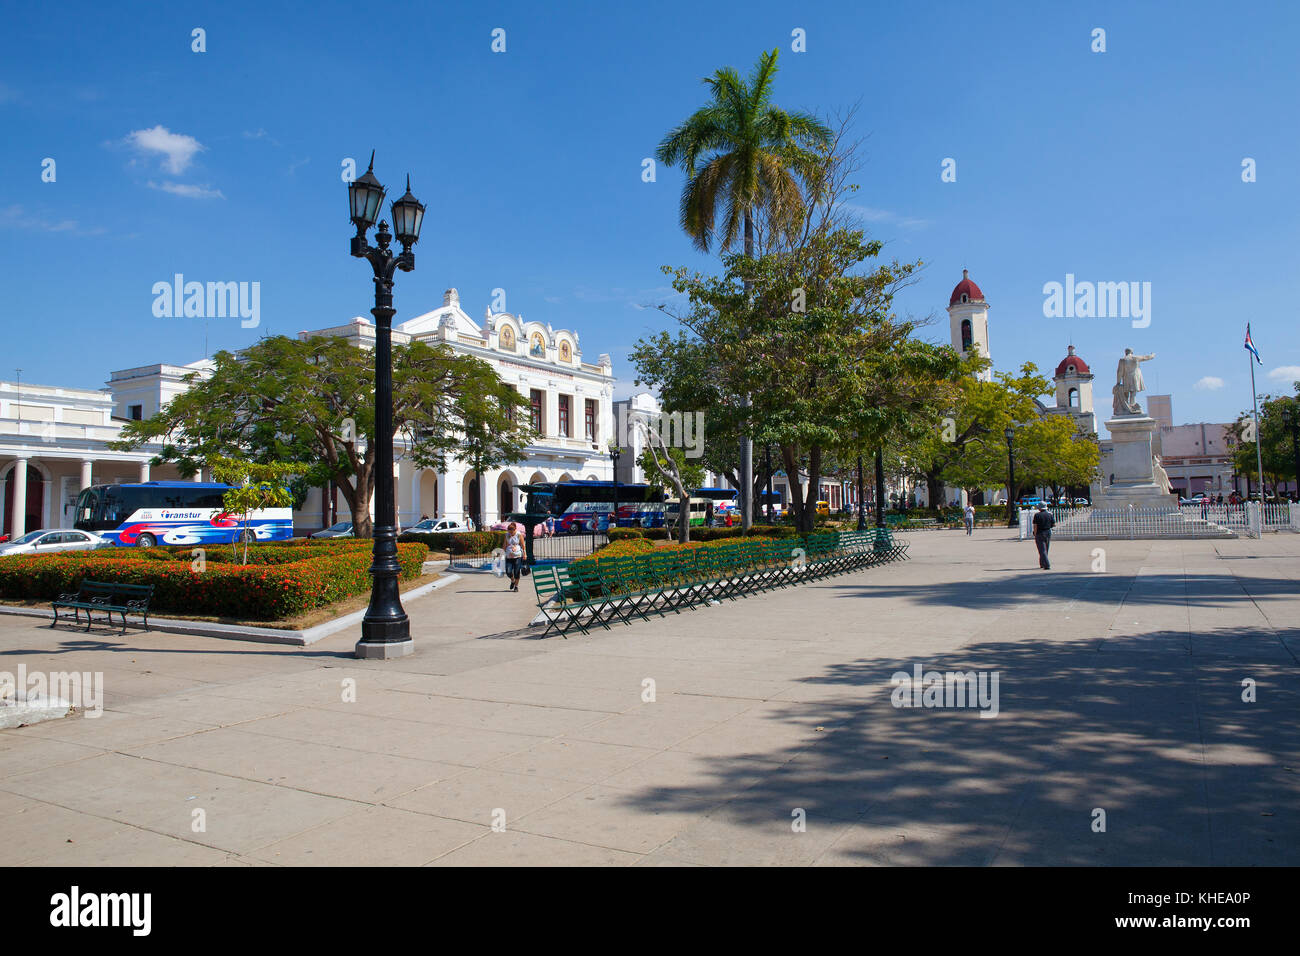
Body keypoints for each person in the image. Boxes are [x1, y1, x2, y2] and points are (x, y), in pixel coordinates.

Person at [1032, 502, 1054, 570]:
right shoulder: (1049, 514)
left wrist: (1035, 534)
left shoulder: (1037, 515)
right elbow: (1053, 524)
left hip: (1040, 533)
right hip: (1048, 532)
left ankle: (1047, 564)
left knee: (1042, 550)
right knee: (1046, 549)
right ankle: (1042, 563)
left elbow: (1035, 526)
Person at [503, 521, 525, 592]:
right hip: (509, 556)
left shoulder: (519, 535)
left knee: (516, 572)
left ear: (514, 530)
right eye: (509, 532)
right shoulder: (507, 535)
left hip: (517, 556)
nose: (510, 533)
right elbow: (505, 545)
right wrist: (501, 553)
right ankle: (513, 581)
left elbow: (523, 545)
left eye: (511, 532)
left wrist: (525, 554)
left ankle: (516, 586)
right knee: (508, 571)